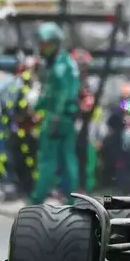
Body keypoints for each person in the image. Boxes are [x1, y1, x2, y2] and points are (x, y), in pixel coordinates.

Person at [29, 22, 79, 206]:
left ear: (54, 43)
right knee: (68, 160)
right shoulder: (64, 63)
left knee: (47, 160)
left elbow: (62, 93)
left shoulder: (60, 66)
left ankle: (36, 200)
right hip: (66, 117)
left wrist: (55, 116)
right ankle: (73, 200)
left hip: (57, 117)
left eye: (44, 44)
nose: (41, 48)